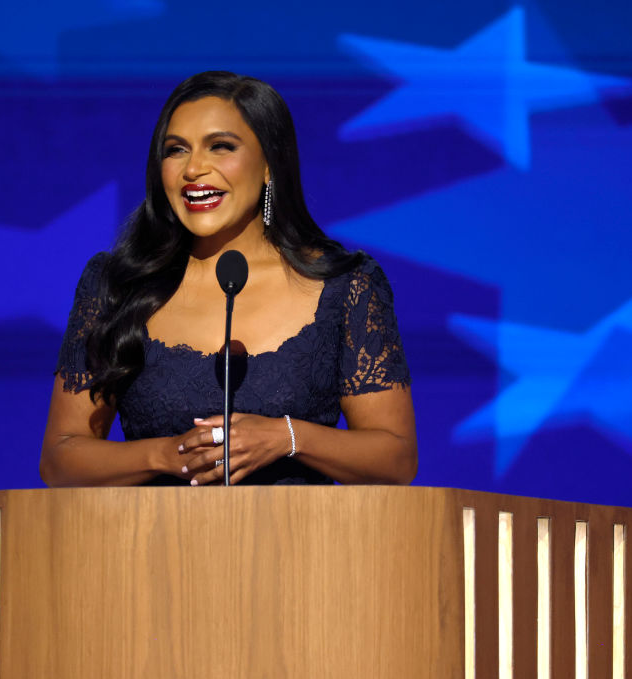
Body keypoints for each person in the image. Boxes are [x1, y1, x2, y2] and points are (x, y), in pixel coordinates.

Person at [40, 71, 417, 487]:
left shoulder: (347, 287)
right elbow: (61, 459)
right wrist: (168, 454)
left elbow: (395, 459)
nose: (194, 168)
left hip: (304, 547)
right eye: (176, 150)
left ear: (269, 164)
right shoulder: (116, 286)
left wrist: (287, 437)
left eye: (221, 147)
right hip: (151, 547)